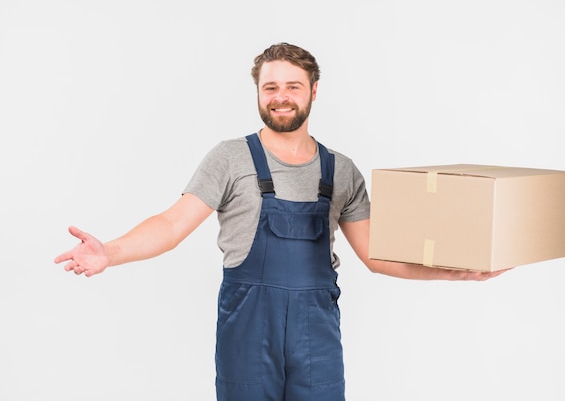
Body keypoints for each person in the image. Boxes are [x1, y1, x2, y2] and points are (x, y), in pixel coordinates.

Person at [54, 43, 506, 401]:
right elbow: (172, 225)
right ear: (258, 93)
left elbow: (377, 255)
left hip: (317, 334)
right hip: (248, 328)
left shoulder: (341, 170)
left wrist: (455, 272)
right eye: (270, 87)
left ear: (313, 92)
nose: (281, 96)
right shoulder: (230, 158)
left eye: (293, 85)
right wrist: (109, 253)